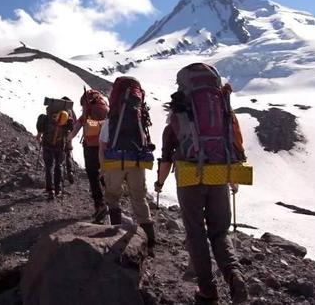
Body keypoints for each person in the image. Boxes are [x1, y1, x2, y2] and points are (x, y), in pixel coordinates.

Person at [154, 63, 248, 304]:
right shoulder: (223, 109)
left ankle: (208, 290)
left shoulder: (178, 114)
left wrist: (160, 183)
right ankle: (234, 275)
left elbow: (166, 155)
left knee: (196, 233)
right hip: (218, 172)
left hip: (189, 176)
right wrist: (233, 177)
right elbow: (234, 141)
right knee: (219, 231)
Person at [99, 76, 156, 256]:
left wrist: (103, 169)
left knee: (113, 196)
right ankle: (151, 243)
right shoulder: (139, 117)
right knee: (139, 198)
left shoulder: (111, 119)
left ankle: (115, 234)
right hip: (137, 161)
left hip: (115, 162)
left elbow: (102, 147)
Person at [68, 89, 108, 222]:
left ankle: (99, 204)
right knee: (103, 172)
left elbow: (77, 127)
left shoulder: (87, 112)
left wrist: (68, 139)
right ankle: (111, 201)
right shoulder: (104, 108)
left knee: (92, 175)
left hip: (90, 146)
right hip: (105, 146)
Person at [36, 97, 74, 200]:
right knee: (59, 166)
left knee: (49, 167)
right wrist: (69, 145)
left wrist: (39, 137)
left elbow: (39, 133)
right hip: (60, 146)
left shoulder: (48, 117)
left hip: (47, 145)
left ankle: (50, 190)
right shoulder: (67, 119)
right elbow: (69, 134)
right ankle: (58, 190)